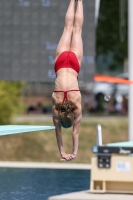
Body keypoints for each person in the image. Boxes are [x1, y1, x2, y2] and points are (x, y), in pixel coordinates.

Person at [52, 0, 84, 161]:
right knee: (68, 28)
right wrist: (62, 152)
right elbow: (57, 131)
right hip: (60, 62)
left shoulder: (76, 105)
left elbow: (76, 132)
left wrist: (74, 152)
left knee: (77, 30)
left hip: (73, 64)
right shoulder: (55, 107)